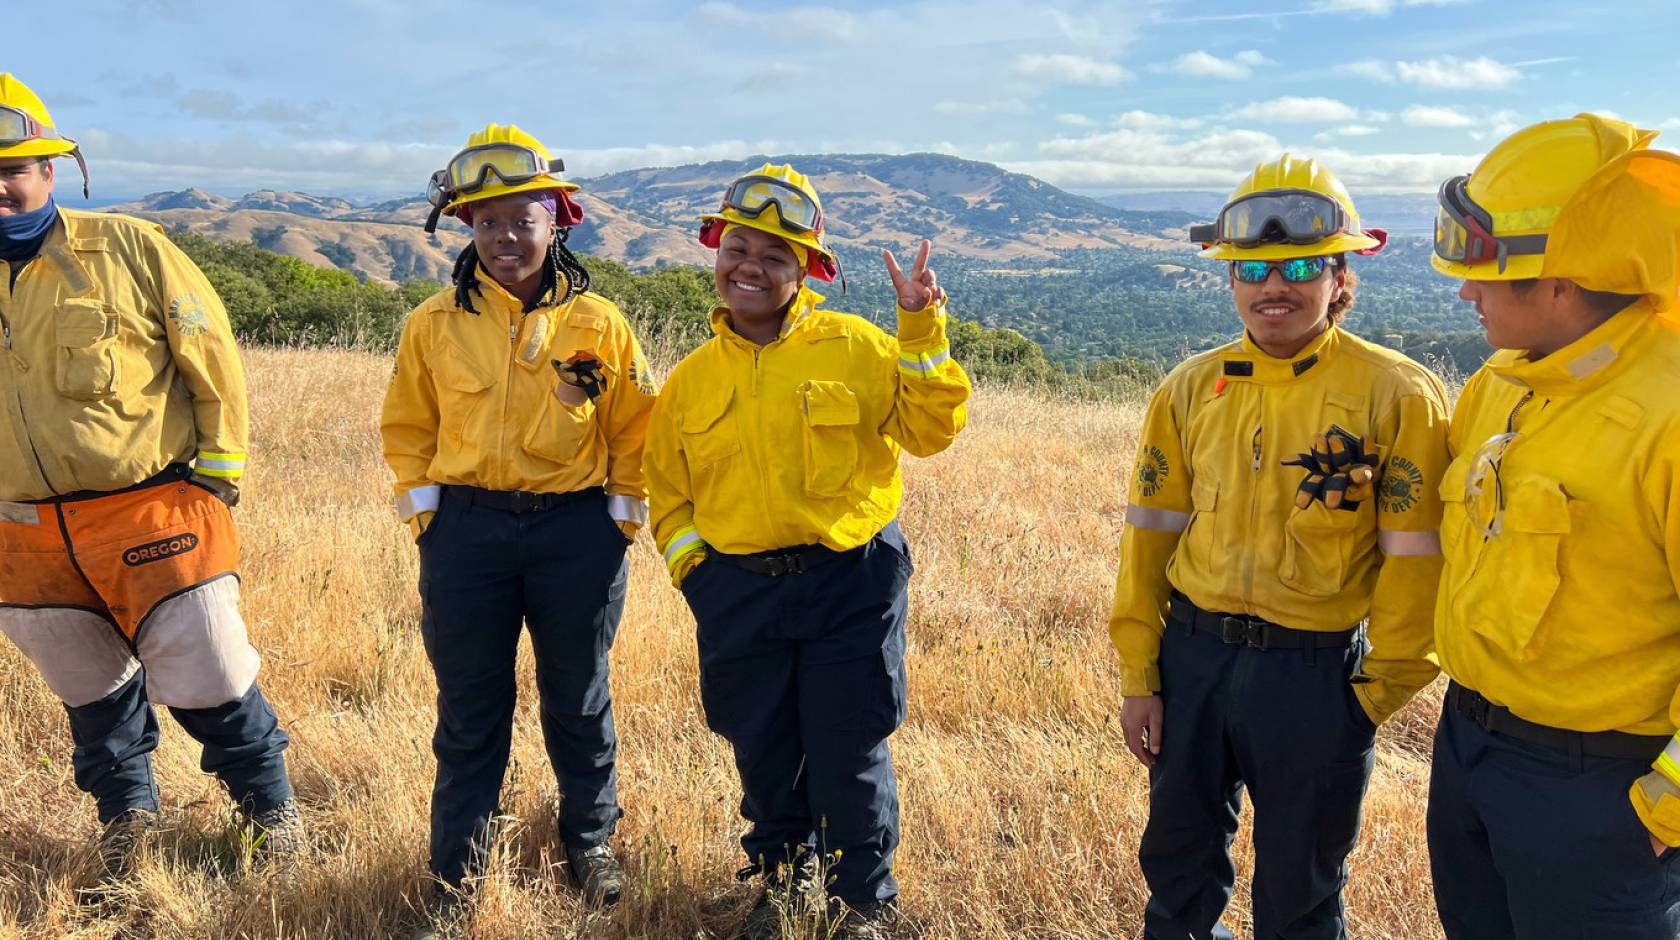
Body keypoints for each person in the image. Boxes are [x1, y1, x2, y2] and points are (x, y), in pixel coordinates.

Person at [1108, 155, 1449, 939]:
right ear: (1228, 279)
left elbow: (1418, 560)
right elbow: (1148, 543)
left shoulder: (1395, 394)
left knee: (1302, 889)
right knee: (1179, 869)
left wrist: (1372, 696)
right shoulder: (1190, 389)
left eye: (1299, 265)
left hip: (1316, 672)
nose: (1274, 286)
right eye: (1252, 268)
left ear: (1340, 275)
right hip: (1194, 659)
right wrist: (1141, 673)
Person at [644, 163, 971, 939]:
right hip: (740, 594)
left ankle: (865, 903)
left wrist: (919, 327)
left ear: (807, 272)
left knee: (847, 747)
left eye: (774, 256)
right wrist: (701, 575)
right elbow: (667, 494)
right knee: (762, 748)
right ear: (716, 252)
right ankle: (785, 887)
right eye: (738, 248)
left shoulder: (856, 346)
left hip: (848, 579)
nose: (750, 267)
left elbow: (930, 433)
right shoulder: (689, 381)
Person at [0, 73, 303, 879]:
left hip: (153, 511)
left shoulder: (130, 248)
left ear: (49, 171)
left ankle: (273, 823)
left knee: (215, 681)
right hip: (24, 535)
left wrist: (217, 479)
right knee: (93, 701)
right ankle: (129, 827)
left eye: (11, 169)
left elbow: (214, 363)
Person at [380, 123, 656, 928]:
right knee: (470, 707)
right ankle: (457, 869)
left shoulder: (600, 322)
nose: (505, 236)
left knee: (578, 698)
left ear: (557, 218)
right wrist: (427, 517)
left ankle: (591, 841)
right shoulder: (433, 322)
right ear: (466, 224)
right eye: (487, 219)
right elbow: (407, 426)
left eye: (521, 218)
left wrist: (619, 523)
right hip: (468, 535)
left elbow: (637, 426)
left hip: (577, 535)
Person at [1424, 113, 1680, 939]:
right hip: (1468, 746)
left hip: (1601, 790)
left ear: (1560, 284)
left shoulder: (1668, 415)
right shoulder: (1497, 385)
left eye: (1485, 278)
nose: (1465, 294)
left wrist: (1662, 809)